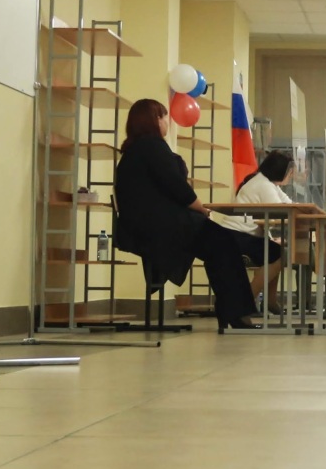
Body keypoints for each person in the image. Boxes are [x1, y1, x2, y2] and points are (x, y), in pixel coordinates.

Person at [114, 99, 261, 331]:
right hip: (162, 226)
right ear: (154, 120)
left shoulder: (134, 150)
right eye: (163, 116)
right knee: (224, 243)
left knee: (220, 245)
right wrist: (201, 208)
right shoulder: (153, 147)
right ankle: (235, 312)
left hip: (143, 225)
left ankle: (231, 310)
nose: (167, 122)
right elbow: (177, 186)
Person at [232, 149, 301, 311]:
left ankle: (270, 301)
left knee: (275, 252)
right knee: (278, 254)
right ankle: (245, 302)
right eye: (290, 172)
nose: (291, 176)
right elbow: (281, 211)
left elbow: (289, 205)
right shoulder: (263, 185)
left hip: (243, 234)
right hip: (238, 236)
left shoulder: (268, 183)